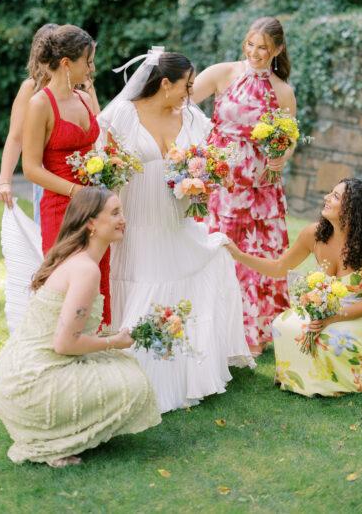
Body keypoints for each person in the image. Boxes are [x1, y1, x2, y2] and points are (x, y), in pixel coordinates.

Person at [98, 48, 254, 415]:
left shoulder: (190, 117)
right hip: (137, 218)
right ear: (165, 84)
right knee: (144, 279)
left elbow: (215, 164)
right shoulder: (122, 114)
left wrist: (206, 178)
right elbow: (103, 170)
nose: (190, 93)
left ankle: (189, 371)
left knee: (213, 256)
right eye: (186, 87)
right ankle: (136, 367)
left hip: (177, 217)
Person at [0, 187, 161, 466]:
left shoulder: (75, 257)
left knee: (119, 363)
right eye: (115, 213)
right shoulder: (85, 270)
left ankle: (51, 431)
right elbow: (65, 344)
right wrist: (115, 342)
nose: (123, 219)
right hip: (31, 383)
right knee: (133, 382)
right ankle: (54, 443)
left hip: (14, 373)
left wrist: (112, 341)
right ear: (91, 223)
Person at [226, 178, 362, 397]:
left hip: (361, 311)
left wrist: (330, 318)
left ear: (352, 209)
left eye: (335, 196)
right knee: (283, 324)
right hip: (324, 307)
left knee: (333, 338)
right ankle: (300, 379)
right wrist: (238, 255)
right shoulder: (313, 234)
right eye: (330, 193)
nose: (326, 198)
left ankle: (344, 379)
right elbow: (278, 268)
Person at [192, 16, 296, 356]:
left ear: (277, 49)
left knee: (255, 258)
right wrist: (197, 146)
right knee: (218, 252)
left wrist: (281, 156)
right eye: (250, 44)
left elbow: (288, 135)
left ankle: (253, 335)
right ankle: (213, 329)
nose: (254, 52)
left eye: (263, 48)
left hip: (260, 192)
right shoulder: (223, 73)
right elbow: (182, 103)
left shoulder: (282, 90)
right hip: (221, 185)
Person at [21, 24, 110, 325]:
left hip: (96, 210)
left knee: (99, 281)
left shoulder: (84, 99)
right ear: (66, 63)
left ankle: (94, 350)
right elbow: (31, 168)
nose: (91, 67)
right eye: (87, 60)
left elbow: (97, 148)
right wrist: (76, 192)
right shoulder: (39, 104)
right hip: (61, 211)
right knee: (66, 286)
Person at [0, 23, 57, 222]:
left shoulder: (78, 87)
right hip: (45, 174)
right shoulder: (30, 88)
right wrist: (4, 181)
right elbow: (15, 137)